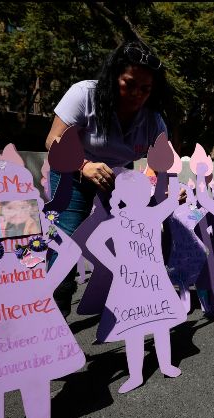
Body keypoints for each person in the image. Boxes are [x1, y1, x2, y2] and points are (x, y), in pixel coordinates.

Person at [44, 39, 169, 316]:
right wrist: (83, 165)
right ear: (114, 77)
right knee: (66, 236)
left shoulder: (153, 120)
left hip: (117, 179)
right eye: (129, 83)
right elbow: (52, 139)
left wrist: (168, 190)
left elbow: (161, 166)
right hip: (72, 168)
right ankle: (54, 312)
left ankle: (126, 300)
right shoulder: (84, 94)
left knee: (131, 236)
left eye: (145, 89)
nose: (136, 93)